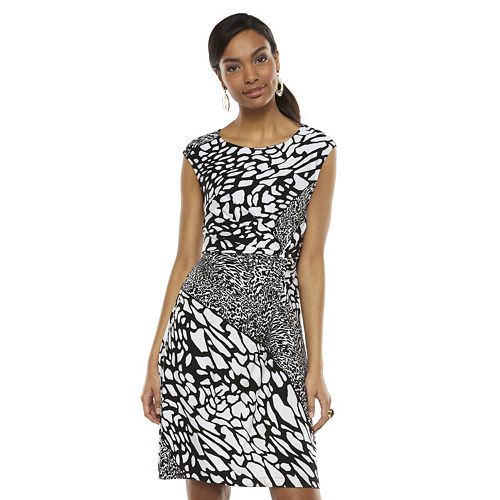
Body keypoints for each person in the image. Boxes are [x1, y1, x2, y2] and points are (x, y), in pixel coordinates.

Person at [141, 12, 337, 500]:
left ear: (277, 60)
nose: (250, 76)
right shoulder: (201, 154)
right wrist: (154, 359)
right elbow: (186, 260)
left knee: (296, 487)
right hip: (200, 338)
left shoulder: (317, 150)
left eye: (259, 59)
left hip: (277, 335)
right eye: (233, 67)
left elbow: (311, 262)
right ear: (219, 77)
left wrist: (315, 365)